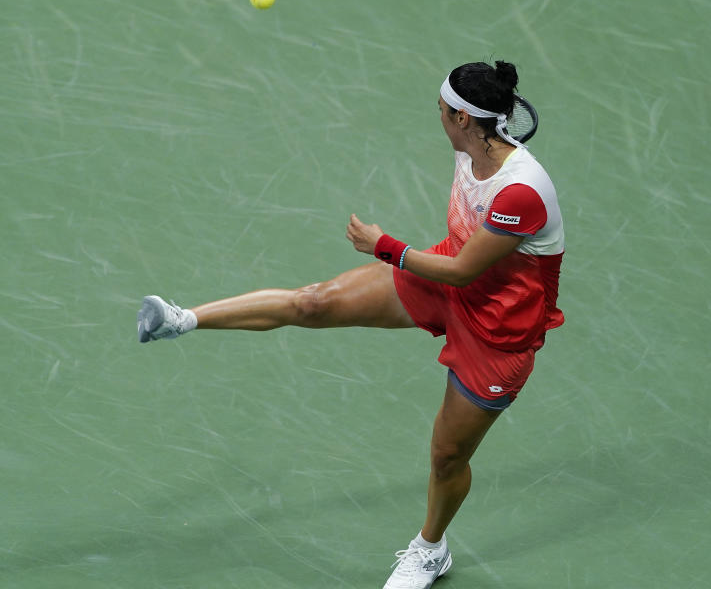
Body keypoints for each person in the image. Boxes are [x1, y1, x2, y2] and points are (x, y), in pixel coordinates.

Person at [137, 60, 564, 589]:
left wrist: (384, 247)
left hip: (497, 334)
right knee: (314, 303)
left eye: (440, 111)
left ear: (462, 119)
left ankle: (431, 552)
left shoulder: (520, 190)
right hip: (445, 280)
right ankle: (181, 319)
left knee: (447, 455)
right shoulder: (473, 145)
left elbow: (463, 270)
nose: (435, 119)